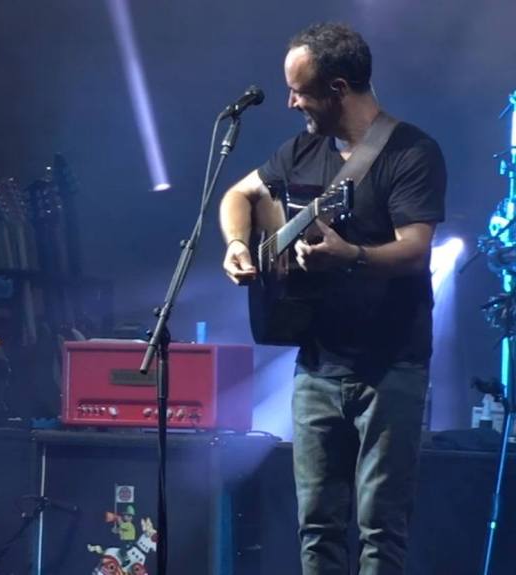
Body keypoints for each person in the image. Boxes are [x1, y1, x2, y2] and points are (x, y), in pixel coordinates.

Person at [218, 23, 446, 575]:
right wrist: (235, 246)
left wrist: (349, 256)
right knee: (317, 527)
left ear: (338, 88)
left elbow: (416, 251)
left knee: (379, 529)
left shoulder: (410, 152)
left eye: (301, 92)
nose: (293, 102)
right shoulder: (302, 149)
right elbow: (239, 194)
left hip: (390, 366)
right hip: (317, 364)